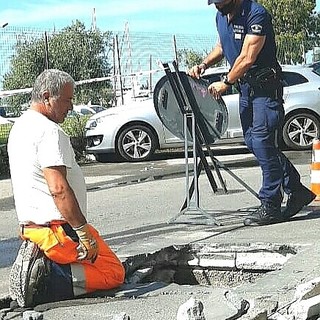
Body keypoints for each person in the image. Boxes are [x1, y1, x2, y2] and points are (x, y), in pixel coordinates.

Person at [188, 0, 315, 226]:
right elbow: (221, 46)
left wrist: (226, 82)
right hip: (246, 90)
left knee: (262, 141)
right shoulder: (220, 16)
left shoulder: (256, 14)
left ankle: (271, 204)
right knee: (253, 141)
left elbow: (248, 56)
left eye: (221, 1)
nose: (217, 6)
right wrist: (204, 64)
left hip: (265, 90)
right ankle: (296, 190)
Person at [8, 69, 125, 307]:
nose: (71, 107)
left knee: (104, 265)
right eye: (68, 100)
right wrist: (82, 232)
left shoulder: (20, 127)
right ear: (48, 96)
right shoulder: (49, 131)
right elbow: (58, 188)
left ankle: (44, 267)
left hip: (36, 229)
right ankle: (47, 279)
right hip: (59, 232)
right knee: (114, 272)